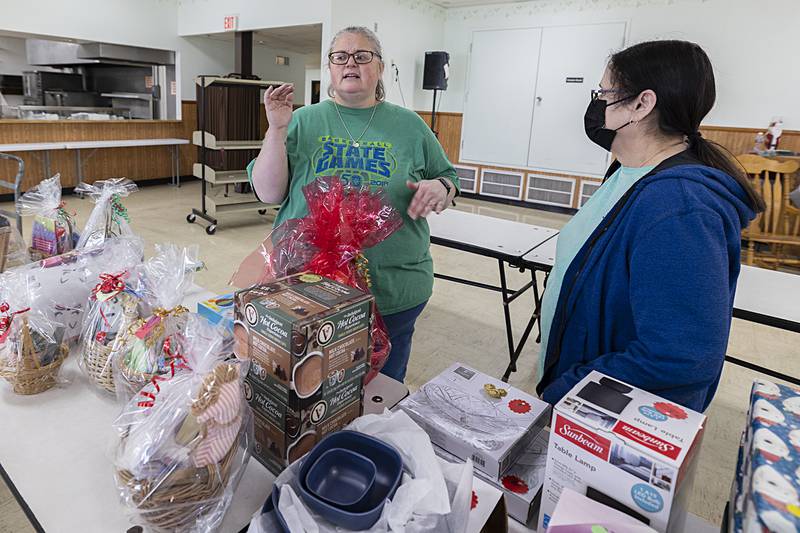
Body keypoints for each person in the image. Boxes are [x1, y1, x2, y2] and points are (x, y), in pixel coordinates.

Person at [535, 40, 764, 412]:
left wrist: (566, 389)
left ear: (642, 104)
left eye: (603, 93)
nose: (597, 104)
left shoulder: (680, 207)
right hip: (582, 384)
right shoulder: (630, 169)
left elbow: (681, 354)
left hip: (613, 414)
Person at [248, 26, 459, 383]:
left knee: (382, 394)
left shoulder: (410, 125)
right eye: (340, 57)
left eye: (362, 56)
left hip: (393, 291)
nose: (351, 63)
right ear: (330, 68)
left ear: (378, 67)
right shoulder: (301, 120)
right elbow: (268, 193)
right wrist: (276, 129)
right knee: (310, 389)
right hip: (307, 291)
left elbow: (449, 178)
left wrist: (441, 187)